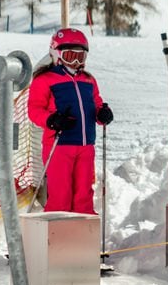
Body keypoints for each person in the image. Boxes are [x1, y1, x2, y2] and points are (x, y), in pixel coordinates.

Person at [27, 28, 114, 214]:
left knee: (84, 193)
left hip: (86, 146)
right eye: (70, 56)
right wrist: (52, 120)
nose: (75, 62)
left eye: (80, 57)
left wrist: (102, 114)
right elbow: (34, 110)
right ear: (56, 54)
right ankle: (58, 235)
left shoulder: (89, 80)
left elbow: (96, 104)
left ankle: (82, 235)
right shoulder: (44, 80)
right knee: (61, 194)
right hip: (58, 145)